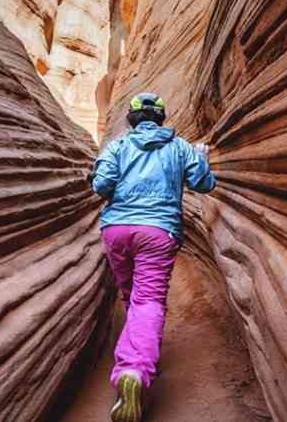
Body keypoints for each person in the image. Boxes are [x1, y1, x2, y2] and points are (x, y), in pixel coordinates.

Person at [89, 92, 216, 422]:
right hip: (158, 231)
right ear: (161, 117)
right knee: (149, 301)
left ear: (131, 119)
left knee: (131, 297)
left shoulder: (117, 146)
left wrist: (96, 173)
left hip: (117, 230)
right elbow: (204, 183)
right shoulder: (179, 146)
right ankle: (134, 370)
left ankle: (130, 355)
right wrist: (202, 158)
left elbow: (101, 186)